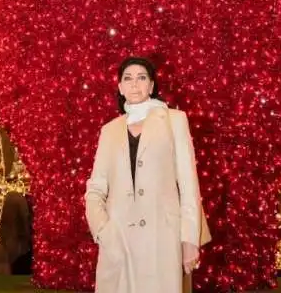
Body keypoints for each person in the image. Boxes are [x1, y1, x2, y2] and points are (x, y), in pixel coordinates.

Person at [85, 56, 210, 293]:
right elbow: (95, 188)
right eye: (128, 78)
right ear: (120, 87)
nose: (135, 84)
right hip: (118, 240)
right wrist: (103, 230)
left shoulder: (174, 120)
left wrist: (190, 239)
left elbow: (188, 183)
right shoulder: (109, 131)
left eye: (142, 78)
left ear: (151, 85)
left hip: (162, 238)